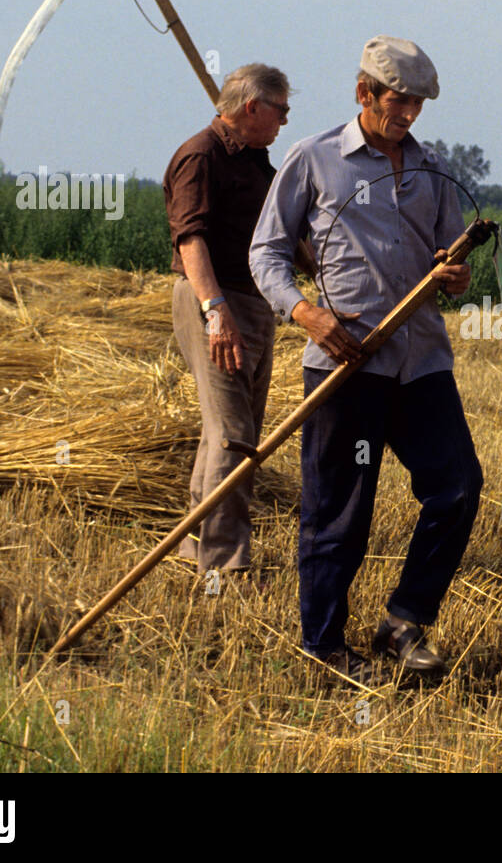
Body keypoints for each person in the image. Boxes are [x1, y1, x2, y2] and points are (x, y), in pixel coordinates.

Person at [250, 36, 483, 681]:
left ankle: (404, 620)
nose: (407, 114)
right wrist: (306, 313)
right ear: (364, 94)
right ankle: (324, 646)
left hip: (421, 361)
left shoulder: (433, 169)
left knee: (457, 487)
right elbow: (265, 253)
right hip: (346, 364)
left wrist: (454, 273)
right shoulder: (314, 160)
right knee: (339, 513)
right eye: (397, 101)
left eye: (416, 104)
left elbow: (447, 255)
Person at [164, 63, 302, 577]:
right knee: (234, 435)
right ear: (253, 107)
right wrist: (215, 311)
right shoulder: (200, 156)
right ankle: (225, 568)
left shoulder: (256, 163)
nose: (285, 121)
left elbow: (284, 232)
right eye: (281, 109)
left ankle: (196, 550)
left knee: (223, 433)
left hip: (253, 302)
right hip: (215, 301)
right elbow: (190, 237)